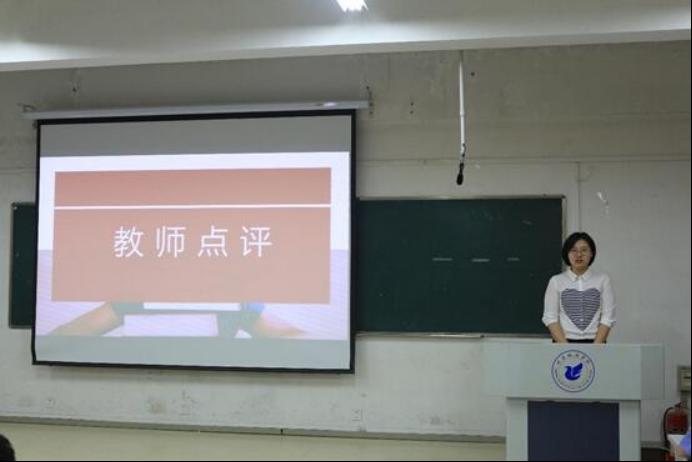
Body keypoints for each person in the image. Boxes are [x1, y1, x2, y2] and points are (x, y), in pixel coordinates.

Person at [542, 232, 615, 344]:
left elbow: (608, 317)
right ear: (567, 254)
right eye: (573, 250)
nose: (579, 255)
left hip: (596, 343)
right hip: (563, 343)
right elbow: (550, 317)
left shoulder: (603, 280)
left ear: (591, 253)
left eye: (584, 250)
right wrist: (567, 348)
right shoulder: (556, 281)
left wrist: (595, 348)